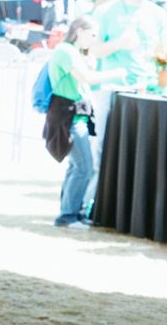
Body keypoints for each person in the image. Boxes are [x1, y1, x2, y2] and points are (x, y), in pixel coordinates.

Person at [43, 17, 128, 226]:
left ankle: (71, 213)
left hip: (73, 115)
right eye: (92, 34)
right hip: (68, 117)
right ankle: (68, 215)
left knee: (77, 167)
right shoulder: (66, 52)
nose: (94, 39)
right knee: (84, 168)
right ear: (80, 30)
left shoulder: (72, 52)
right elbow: (86, 78)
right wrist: (116, 73)